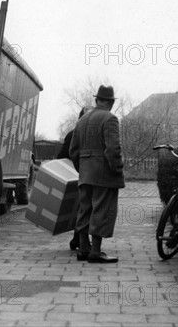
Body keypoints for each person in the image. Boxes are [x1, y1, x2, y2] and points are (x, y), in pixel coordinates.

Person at [69, 86, 125, 263]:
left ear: (97, 100)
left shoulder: (82, 120)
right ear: (111, 102)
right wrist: (117, 168)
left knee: (85, 210)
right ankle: (96, 251)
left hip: (85, 173)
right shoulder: (110, 119)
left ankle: (83, 249)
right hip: (104, 174)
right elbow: (113, 149)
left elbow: (73, 150)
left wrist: (83, 168)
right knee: (102, 210)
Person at [57, 106, 91, 251]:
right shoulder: (73, 134)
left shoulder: (91, 134)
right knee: (84, 208)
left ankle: (78, 239)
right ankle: (81, 241)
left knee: (84, 208)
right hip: (77, 176)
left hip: (87, 175)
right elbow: (62, 156)